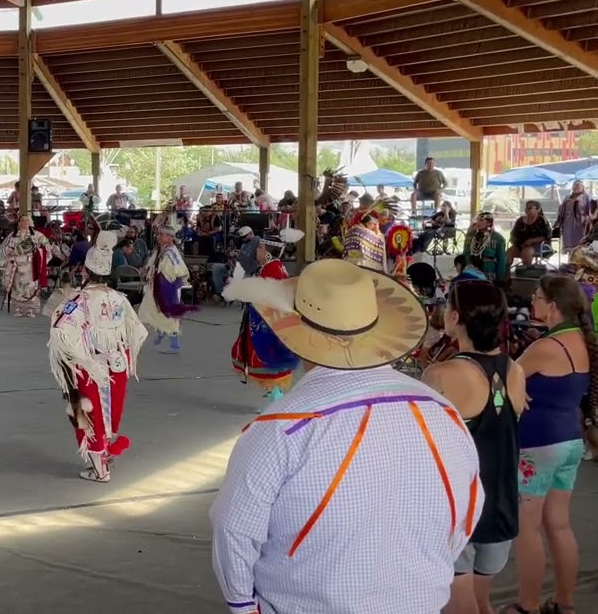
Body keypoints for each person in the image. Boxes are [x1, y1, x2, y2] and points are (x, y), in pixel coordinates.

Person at [210, 258, 481, 614]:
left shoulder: (282, 428)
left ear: (297, 336)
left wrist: (244, 606)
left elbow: (234, 531)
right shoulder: (442, 413)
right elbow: (466, 515)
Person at [421, 281, 526, 614]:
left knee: (460, 604)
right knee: (482, 602)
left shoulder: (441, 374)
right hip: (503, 502)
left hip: (460, 507)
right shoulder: (516, 370)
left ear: (454, 317)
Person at [506, 275, 596, 614]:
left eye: (538, 297)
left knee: (527, 527)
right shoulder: (582, 341)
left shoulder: (545, 347)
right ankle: (564, 602)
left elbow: (506, 378)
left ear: (553, 307)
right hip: (570, 441)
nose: (533, 302)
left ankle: (527, 604)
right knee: (558, 524)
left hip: (538, 444)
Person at [47, 230, 148, 483]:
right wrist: (120, 350)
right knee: (107, 413)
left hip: (90, 367)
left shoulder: (79, 300)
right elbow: (138, 331)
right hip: (116, 366)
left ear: (85, 271)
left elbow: (60, 329)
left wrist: (78, 355)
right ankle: (104, 455)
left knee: (85, 414)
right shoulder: (119, 298)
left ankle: (100, 470)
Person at [225, 228, 303, 407]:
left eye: (260, 248)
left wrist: (242, 290)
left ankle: (276, 399)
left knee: (267, 361)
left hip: (267, 325)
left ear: (267, 252)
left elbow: (267, 298)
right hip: (266, 322)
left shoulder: (272, 269)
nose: (257, 251)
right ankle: (274, 394)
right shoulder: (273, 266)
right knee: (267, 360)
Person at [138, 222, 195, 354]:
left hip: (168, 287)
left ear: (170, 237)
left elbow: (181, 270)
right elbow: (152, 264)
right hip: (156, 286)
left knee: (169, 314)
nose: (158, 236)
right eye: (158, 234)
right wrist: (147, 270)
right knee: (155, 311)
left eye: (161, 234)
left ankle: (174, 344)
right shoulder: (160, 249)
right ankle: (161, 333)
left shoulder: (172, 252)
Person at [0, 216, 50, 317]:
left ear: (30, 223)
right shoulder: (12, 236)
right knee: (17, 288)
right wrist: (12, 252)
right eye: (22, 221)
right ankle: (18, 308)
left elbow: (46, 246)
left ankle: (31, 308)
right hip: (17, 266)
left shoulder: (37, 235)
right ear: (19, 223)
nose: (24, 223)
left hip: (31, 266)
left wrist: (39, 250)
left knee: (31, 288)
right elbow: (5, 249)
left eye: (27, 221)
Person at [464, 213, 508, 284]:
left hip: (488, 271)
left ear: (489, 223)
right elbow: (466, 254)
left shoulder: (497, 238)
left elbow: (501, 259)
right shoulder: (470, 237)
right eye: (477, 220)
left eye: (481, 220)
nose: (478, 223)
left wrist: (499, 278)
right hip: (472, 270)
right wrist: (468, 267)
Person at [508, 200, 552, 268]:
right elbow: (514, 233)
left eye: (530, 208)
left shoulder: (542, 220)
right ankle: (505, 275)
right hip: (520, 244)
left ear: (538, 209)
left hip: (539, 245)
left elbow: (545, 236)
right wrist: (515, 241)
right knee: (508, 253)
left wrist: (530, 241)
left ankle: (526, 271)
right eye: (526, 207)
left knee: (527, 251)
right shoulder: (520, 220)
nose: (526, 209)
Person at [557, 182, 588, 253]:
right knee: (569, 245)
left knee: (580, 245)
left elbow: (587, 210)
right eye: (574, 185)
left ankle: (579, 261)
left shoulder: (585, 197)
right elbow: (561, 210)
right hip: (568, 224)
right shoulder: (567, 197)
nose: (575, 187)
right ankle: (570, 261)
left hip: (580, 224)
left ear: (582, 187)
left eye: (577, 185)